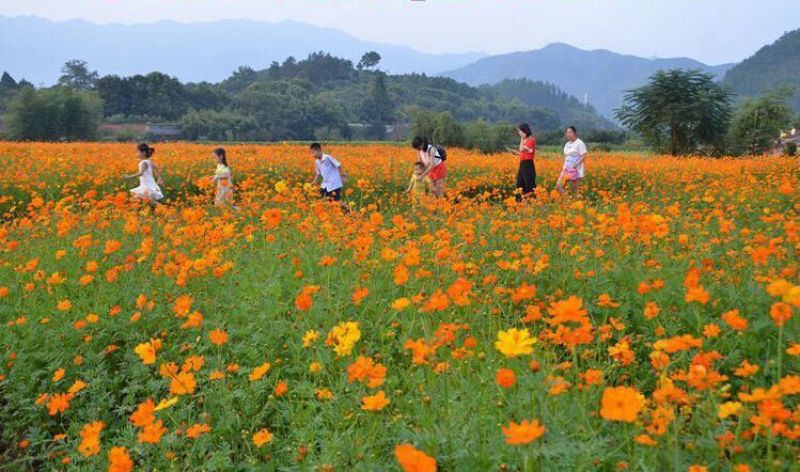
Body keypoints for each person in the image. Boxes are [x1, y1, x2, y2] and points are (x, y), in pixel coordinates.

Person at [557, 126, 587, 197]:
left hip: (575, 170)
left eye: (570, 132)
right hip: (566, 169)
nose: (568, 134)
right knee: (559, 185)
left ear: (574, 133)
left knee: (574, 189)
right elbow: (566, 155)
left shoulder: (579, 143)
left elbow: (584, 155)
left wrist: (576, 164)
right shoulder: (567, 144)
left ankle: (576, 204)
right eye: (567, 132)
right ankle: (568, 199)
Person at [515, 123, 537, 200]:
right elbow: (521, 150)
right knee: (519, 183)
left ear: (524, 131)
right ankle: (519, 202)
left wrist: (521, 139)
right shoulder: (525, 140)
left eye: (520, 131)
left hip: (528, 164)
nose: (519, 133)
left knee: (529, 184)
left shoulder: (531, 140)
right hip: (523, 163)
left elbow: (521, 149)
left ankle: (531, 202)